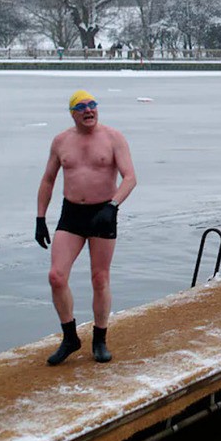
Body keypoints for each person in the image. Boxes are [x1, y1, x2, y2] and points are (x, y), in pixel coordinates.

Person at [35, 90, 137, 365]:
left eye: (92, 105)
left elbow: (130, 178)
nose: (88, 110)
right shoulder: (61, 141)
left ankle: (100, 339)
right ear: (72, 113)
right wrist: (40, 218)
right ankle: (70, 337)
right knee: (56, 276)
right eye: (81, 107)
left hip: (103, 211)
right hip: (72, 214)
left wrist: (112, 206)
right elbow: (48, 180)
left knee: (99, 278)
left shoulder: (113, 138)